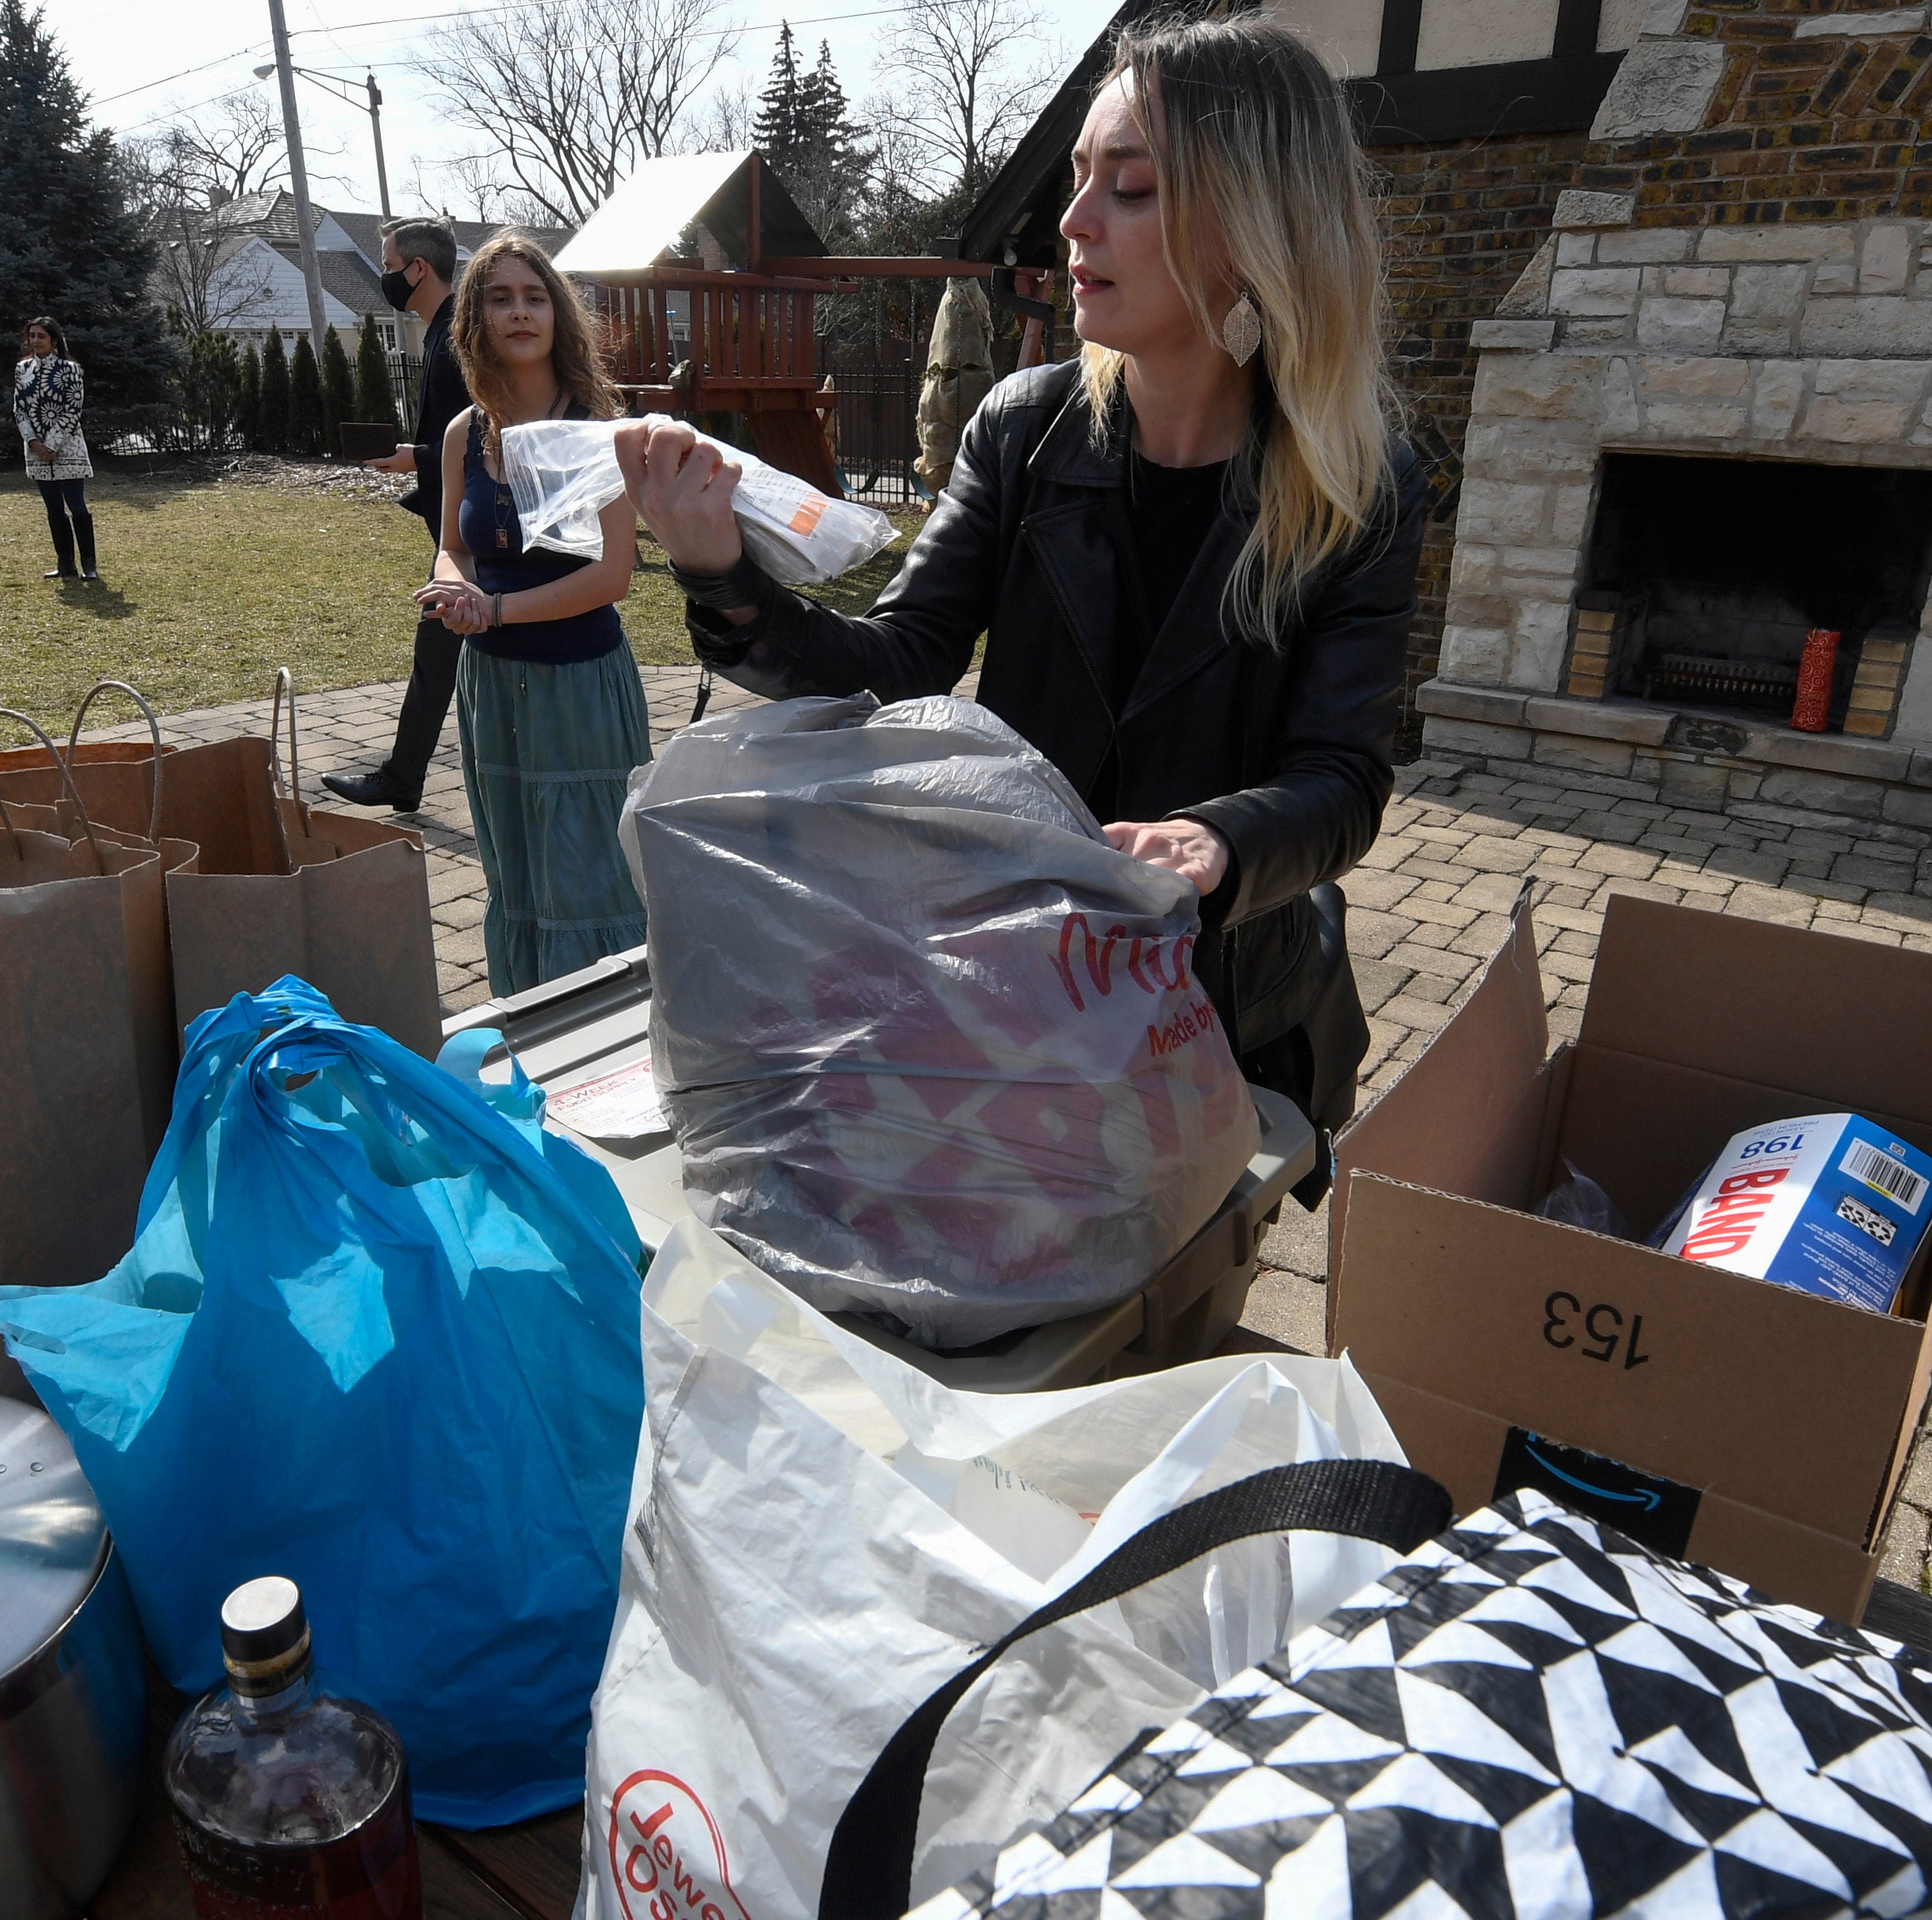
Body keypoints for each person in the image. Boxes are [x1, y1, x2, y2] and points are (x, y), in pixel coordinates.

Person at [617, 11, 1423, 1175]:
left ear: (1254, 228)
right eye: (1080, 176)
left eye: (1130, 188)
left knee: (1164, 1300)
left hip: (1220, 998)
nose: (1074, 218)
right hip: (1010, 973)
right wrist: (718, 571)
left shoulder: (1362, 486)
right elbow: (899, 660)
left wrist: (1212, 841)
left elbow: (1341, 781)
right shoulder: (1026, 425)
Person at [421, 232, 649, 995]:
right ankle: (528, 1024)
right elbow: (453, 545)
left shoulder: (601, 432)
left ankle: (605, 1030)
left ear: (558, 315)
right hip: (491, 688)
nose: (519, 312)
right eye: (499, 297)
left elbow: (613, 575)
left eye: (535, 296)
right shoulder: (464, 433)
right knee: (514, 868)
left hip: (580, 685)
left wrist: (495, 607)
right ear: (475, 320)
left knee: (591, 873)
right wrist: (454, 588)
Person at [327, 218, 465, 812]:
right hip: (457, 526)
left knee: (440, 653)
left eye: (387, 265)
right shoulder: (438, 332)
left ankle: (403, 779)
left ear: (417, 269)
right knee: (438, 657)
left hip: (477, 532)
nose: (382, 276)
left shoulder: (459, 338)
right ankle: (403, 779)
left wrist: (419, 456)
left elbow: (493, 439)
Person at [13, 317, 96, 582]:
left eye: (41, 336)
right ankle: (65, 563)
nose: (36, 341)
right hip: (37, 452)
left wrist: (52, 444)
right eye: (33, 336)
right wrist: (34, 443)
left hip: (67, 448)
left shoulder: (70, 370)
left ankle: (89, 564)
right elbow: (19, 410)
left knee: (77, 506)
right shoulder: (22, 369)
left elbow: (73, 410)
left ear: (54, 341)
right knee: (53, 509)